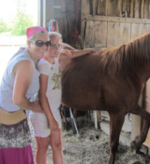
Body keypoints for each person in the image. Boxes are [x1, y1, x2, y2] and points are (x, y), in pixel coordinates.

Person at [30, 32, 95, 164]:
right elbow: (42, 95)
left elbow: (74, 53)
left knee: (58, 145)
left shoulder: (57, 57)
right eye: (53, 45)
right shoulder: (44, 65)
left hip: (53, 109)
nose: (57, 48)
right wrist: (51, 119)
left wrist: (91, 51)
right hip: (42, 112)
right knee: (42, 147)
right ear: (46, 46)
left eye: (59, 45)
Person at [0, 26, 50, 164]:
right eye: (40, 43)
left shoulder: (27, 55)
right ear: (29, 43)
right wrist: (32, 106)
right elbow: (17, 99)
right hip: (9, 120)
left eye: (47, 43)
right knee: (15, 158)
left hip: (9, 115)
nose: (44, 47)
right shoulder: (26, 63)